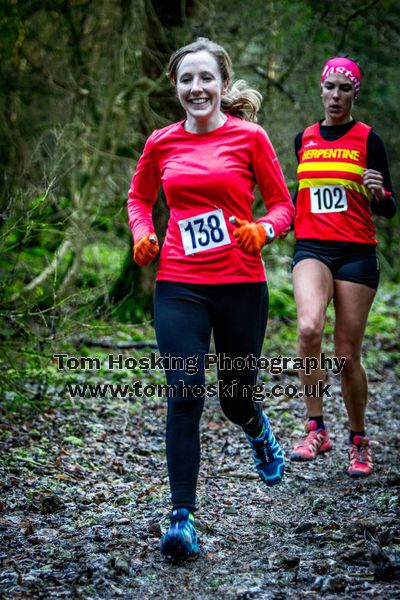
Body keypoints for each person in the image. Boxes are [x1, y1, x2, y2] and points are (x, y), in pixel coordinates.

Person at [127, 38, 294, 560]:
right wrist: (141, 234)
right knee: (184, 394)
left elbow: (284, 206)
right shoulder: (161, 142)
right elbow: (139, 197)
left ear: (223, 84)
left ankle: (258, 430)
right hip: (179, 283)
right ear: (176, 87)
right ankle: (181, 519)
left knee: (234, 396)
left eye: (205, 79)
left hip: (242, 285)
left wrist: (263, 230)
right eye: (186, 80)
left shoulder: (250, 138)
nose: (196, 88)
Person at [290, 56, 397, 477]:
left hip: (355, 251)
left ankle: (358, 440)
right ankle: (315, 427)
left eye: (344, 89)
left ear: (355, 93)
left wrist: (379, 195)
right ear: (321, 89)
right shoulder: (304, 139)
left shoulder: (370, 140)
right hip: (313, 247)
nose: (335, 96)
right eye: (329, 87)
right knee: (308, 328)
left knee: (347, 355)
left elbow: (388, 207)